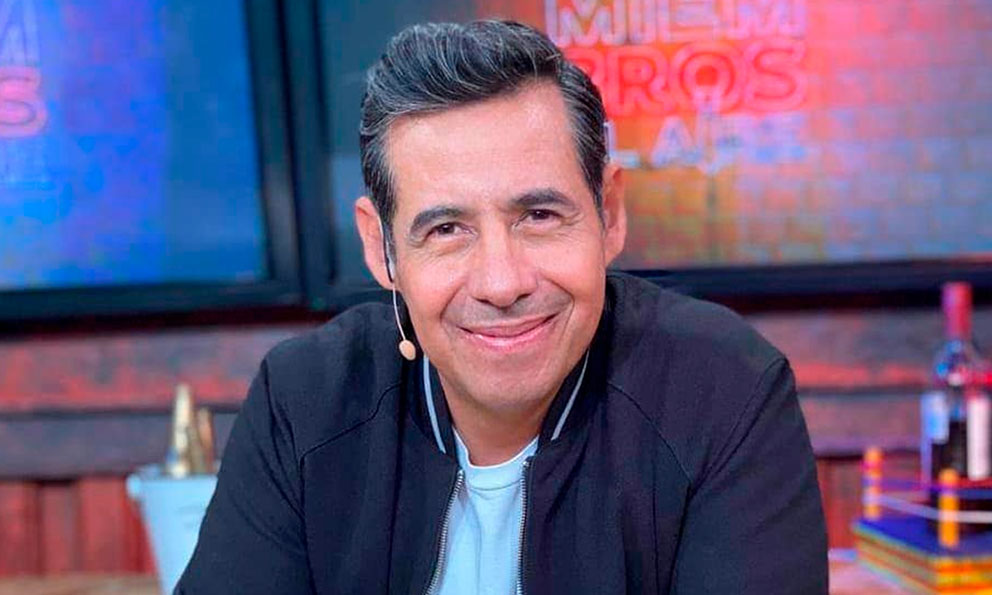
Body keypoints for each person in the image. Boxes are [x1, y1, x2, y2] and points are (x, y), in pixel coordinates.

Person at [177, 20, 827, 594]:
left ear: (609, 214)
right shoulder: (305, 400)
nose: (501, 282)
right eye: (446, 229)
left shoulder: (723, 389)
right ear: (382, 250)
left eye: (539, 215)